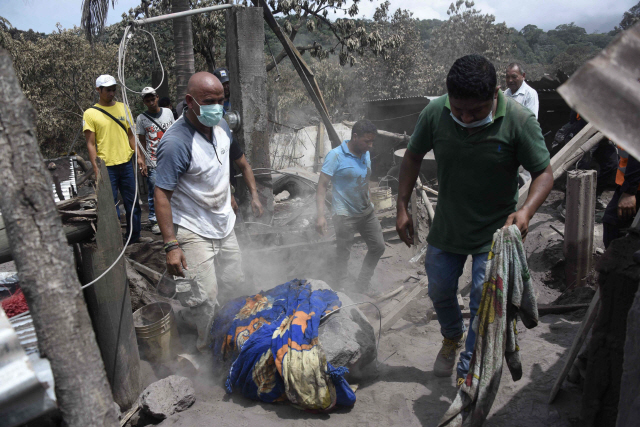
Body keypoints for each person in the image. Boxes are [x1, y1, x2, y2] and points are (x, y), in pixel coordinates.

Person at [396, 55, 553, 385]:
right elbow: (411, 156)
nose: (465, 117)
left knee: (484, 301)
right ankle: (452, 337)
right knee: (439, 289)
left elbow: (544, 173)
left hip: (494, 233)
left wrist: (525, 212)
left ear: (494, 94)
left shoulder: (520, 121)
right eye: (459, 109)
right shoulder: (435, 112)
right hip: (449, 226)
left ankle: (469, 368)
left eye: (476, 111)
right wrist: (401, 206)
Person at [154, 72, 264, 352]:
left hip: (223, 224)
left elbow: (227, 163)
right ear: (190, 101)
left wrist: (230, 194)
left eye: (221, 101)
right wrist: (171, 245)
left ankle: (228, 332)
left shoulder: (222, 127)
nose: (217, 107)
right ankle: (206, 350)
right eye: (210, 101)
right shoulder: (175, 142)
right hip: (192, 230)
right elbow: (161, 196)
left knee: (234, 282)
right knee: (204, 298)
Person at [316, 120, 385, 293]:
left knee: (378, 246)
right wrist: (321, 215)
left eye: (372, 142)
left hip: (366, 211)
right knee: (343, 254)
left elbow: (364, 178)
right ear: (355, 137)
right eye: (366, 141)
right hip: (344, 214)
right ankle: (340, 290)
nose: (370, 146)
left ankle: (362, 284)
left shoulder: (365, 153)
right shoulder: (335, 156)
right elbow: (322, 186)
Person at [83, 74, 149, 244]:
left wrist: (139, 157)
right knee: (110, 207)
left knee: (132, 203)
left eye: (113, 90)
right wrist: (96, 168)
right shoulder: (90, 114)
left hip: (126, 163)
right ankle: (114, 240)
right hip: (107, 166)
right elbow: (90, 144)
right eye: (108, 90)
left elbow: (131, 135)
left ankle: (134, 237)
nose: (111, 93)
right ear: (98, 90)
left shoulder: (123, 108)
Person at [136, 87, 175, 235]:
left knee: (174, 189)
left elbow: (174, 132)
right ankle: (154, 220)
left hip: (170, 158)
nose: (151, 102)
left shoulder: (168, 113)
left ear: (157, 98)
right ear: (144, 102)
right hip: (153, 161)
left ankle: (174, 217)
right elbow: (141, 141)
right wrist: (142, 160)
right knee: (154, 191)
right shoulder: (141, 119)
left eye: (153, 99)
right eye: (147, 100)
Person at [603, 146, 640, 248]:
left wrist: (629, 191)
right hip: (632, 184)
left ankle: (618, 261)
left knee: (614, 225)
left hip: (635, 187)